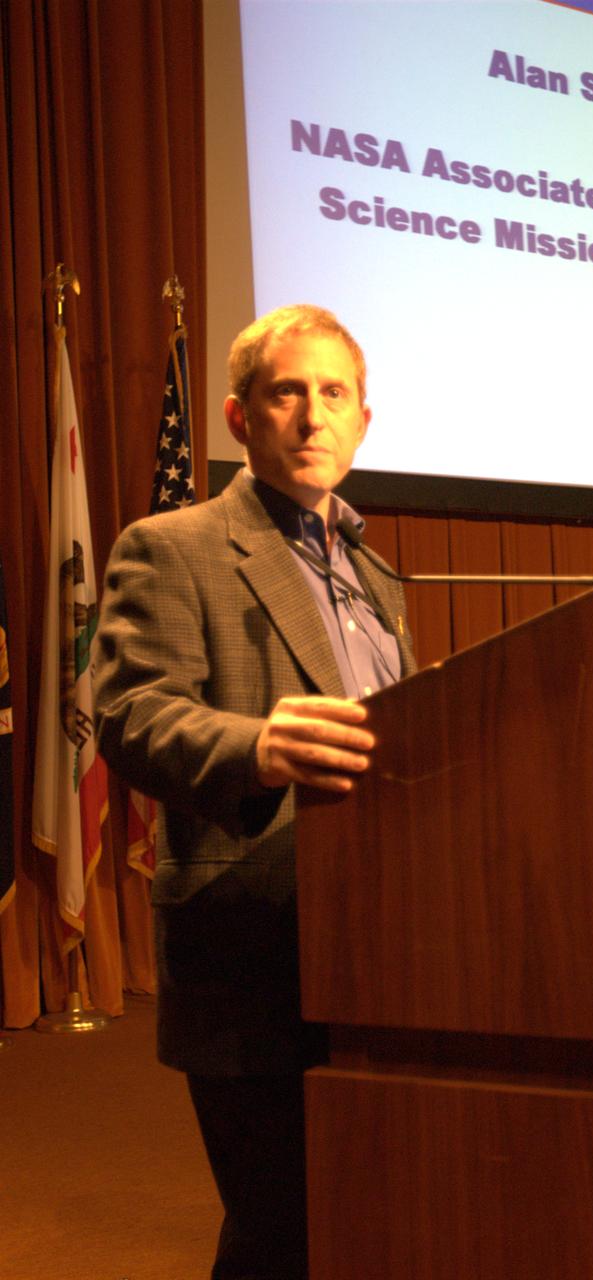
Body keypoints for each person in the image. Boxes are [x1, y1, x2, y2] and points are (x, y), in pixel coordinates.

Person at [93, 304, 416, 1280]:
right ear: (239, 416)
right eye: (288, 392)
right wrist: (257, 746)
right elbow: (130, 713)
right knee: (282, 1232)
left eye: (334, 393)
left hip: (388, 950)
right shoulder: (173, 545)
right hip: (255, 946)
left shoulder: (375, 577)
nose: (314, 416)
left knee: (371, 1222)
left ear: (365, 419)